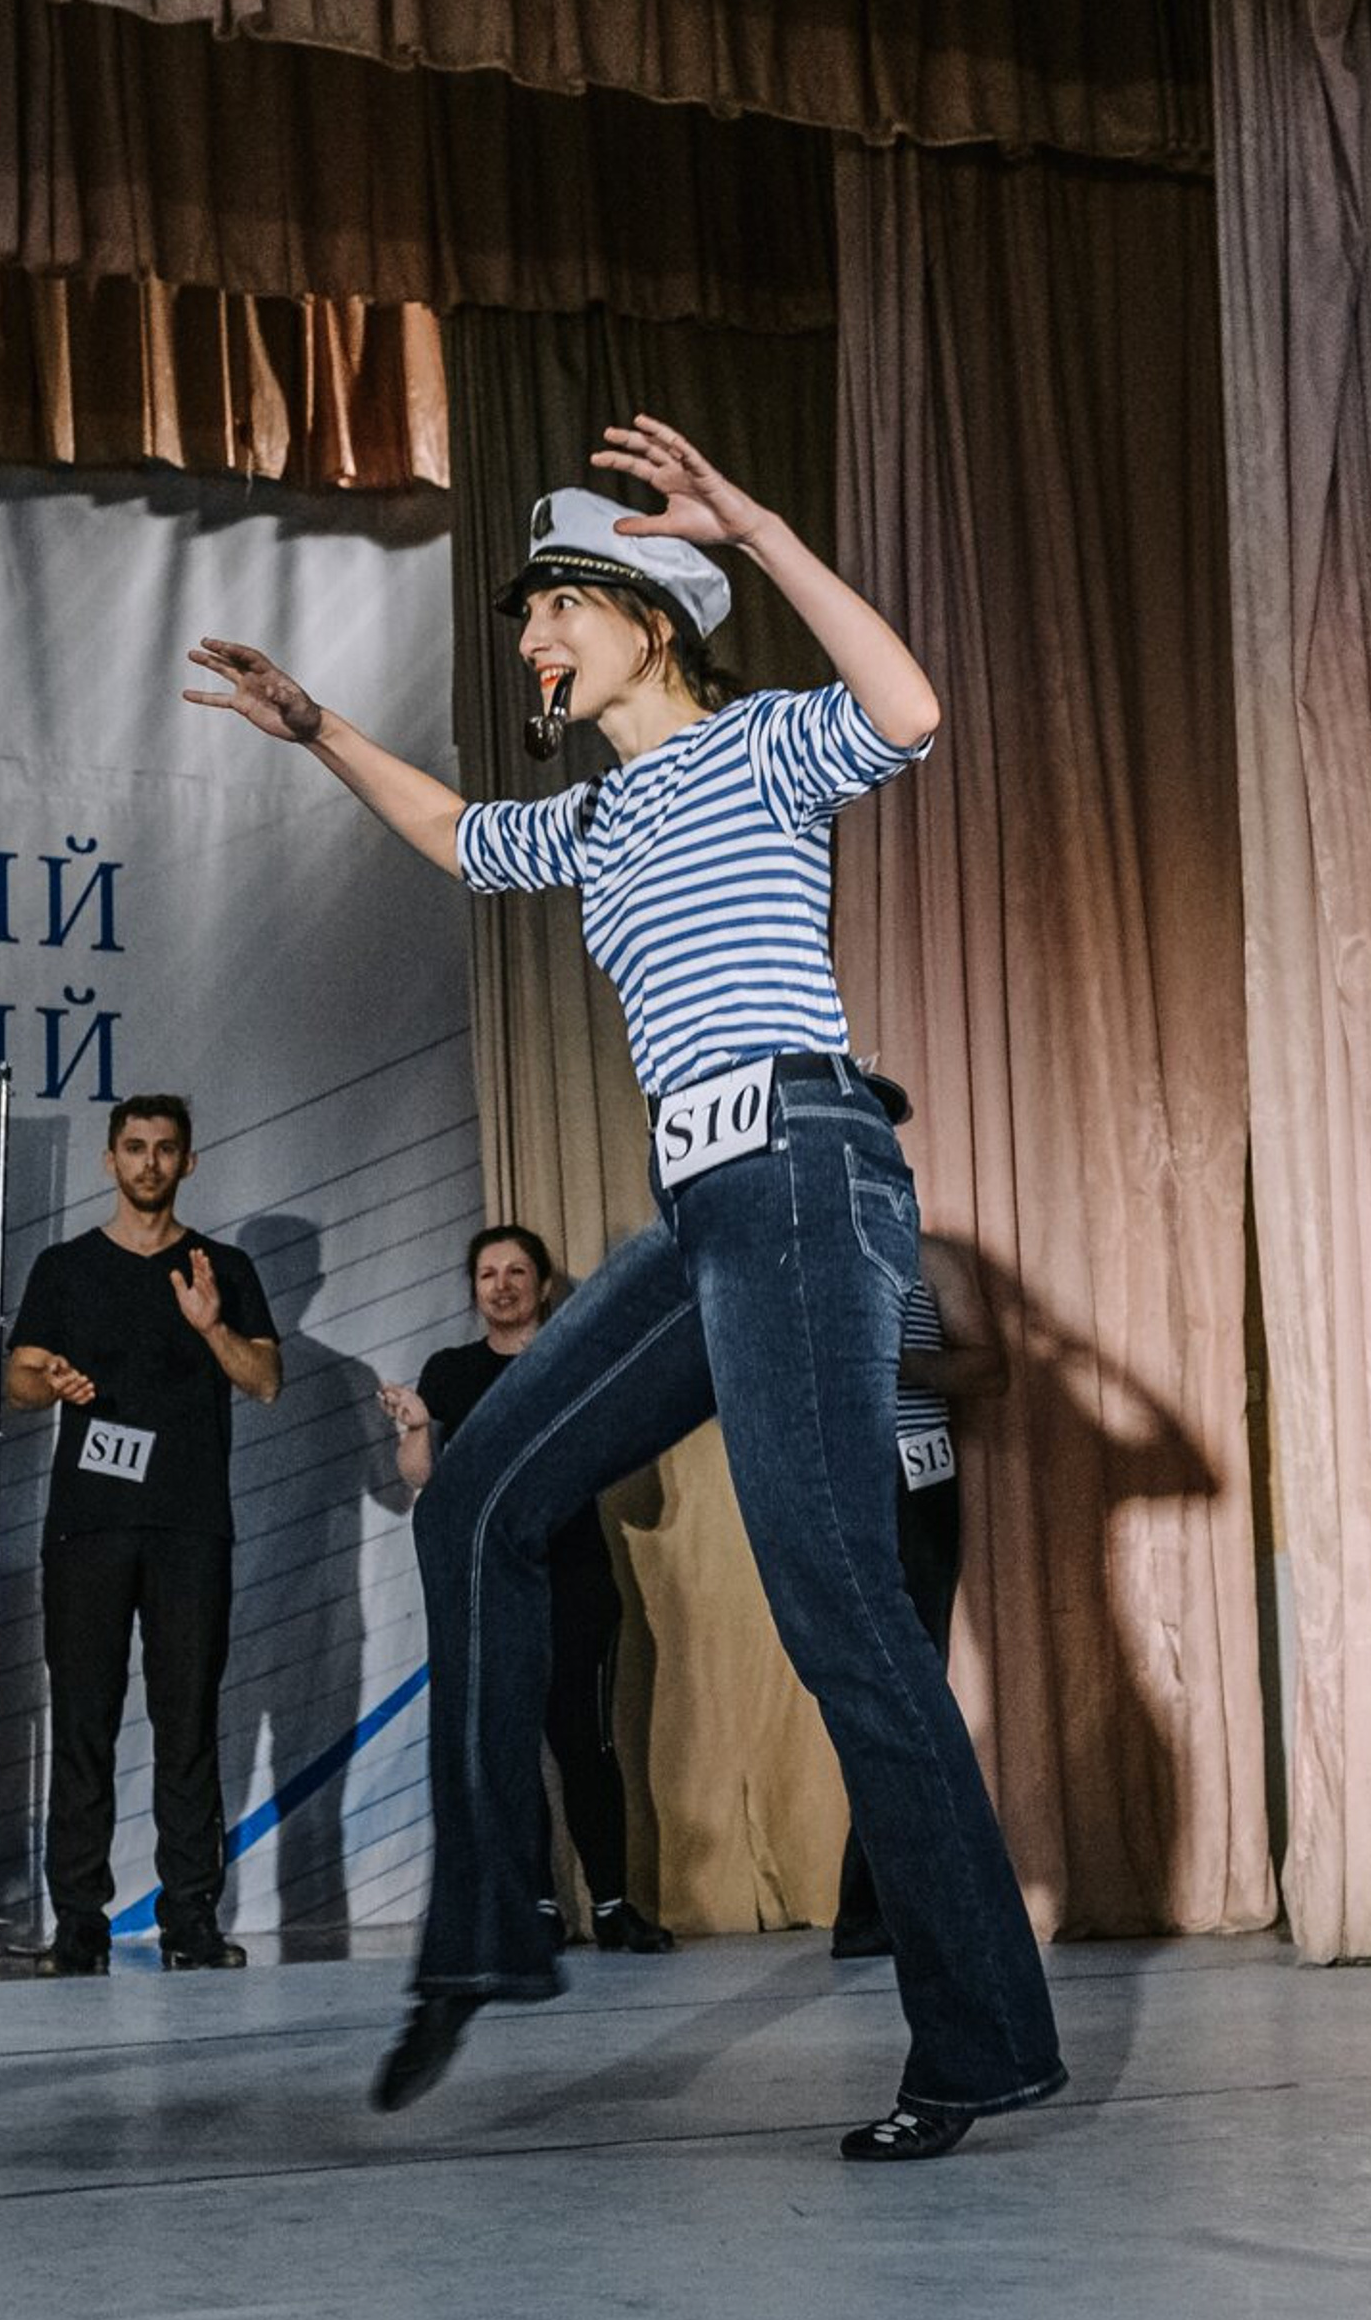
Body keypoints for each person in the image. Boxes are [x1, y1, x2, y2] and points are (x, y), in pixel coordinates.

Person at [186, 414, 1064, 2161]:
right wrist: (317, 732)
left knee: (839, 1613)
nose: (528, 647)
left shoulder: (758, 747)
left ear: (647, 611)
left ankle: (973, 2040)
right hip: (702, 1202)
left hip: (808, 1172)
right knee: (482, 1500)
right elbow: (458, 838)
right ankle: (496, 1928)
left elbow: (912, 713)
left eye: (550, 617)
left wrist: (755, 524)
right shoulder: (599, 815)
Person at [5, 1095, 281, 1978]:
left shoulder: (223, 1268)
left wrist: (211, 1328)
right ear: (109, 1160)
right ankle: (79, 1919)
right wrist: (46, 1378)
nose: (150, 1163)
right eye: (135, 1148)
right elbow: (19, 1379)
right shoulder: (65, 1266)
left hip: (189, 1526)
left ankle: (189, 1917)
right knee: (84, 1720)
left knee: (186, 1721)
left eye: (166, 1150)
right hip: (88, 1527)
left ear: (189, 1163)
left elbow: (266, 1380)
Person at [380, 1223, 673, 1958]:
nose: (502, 1285)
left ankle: (612, 1908)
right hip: (493, 1589)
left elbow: (640, 1497)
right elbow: (421, 1477)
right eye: (487, 1274)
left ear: (543, 1286)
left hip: (575, 1582)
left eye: (517, 1272)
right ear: (474, 1289)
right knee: (512, 1754)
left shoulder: (578, 1356)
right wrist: (417, 1426)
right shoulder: (448, 1369)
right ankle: (536, 1909)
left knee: (587, 1748)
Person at [831, 1217, 1006, 1959]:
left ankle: (874, 1908)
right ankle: (871, 1909)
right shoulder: (798, 1245)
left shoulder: (928, 1254)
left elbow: (990, 1369)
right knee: (869, 1692)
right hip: (836, 1484)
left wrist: (902, 1364)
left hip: (918, 1480)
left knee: (914, 1691)